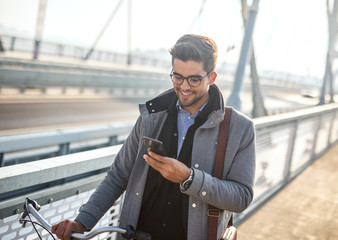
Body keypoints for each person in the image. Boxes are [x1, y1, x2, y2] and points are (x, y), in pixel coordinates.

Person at [51, 34, 256, 240]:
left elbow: (241, 197)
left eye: (194, 79)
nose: (184, 87)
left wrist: (189, 178)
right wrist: (82, 221)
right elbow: (118, 176)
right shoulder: (151, 116)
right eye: (178, 77)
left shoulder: (241, 129)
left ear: (211, 78)